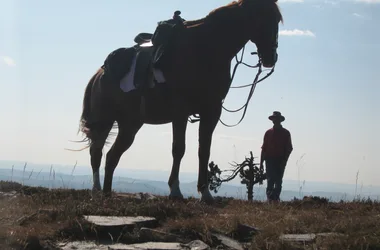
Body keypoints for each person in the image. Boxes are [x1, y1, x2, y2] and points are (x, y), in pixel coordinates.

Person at [260, 111, 293, 202]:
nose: (275, 120)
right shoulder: (268, 133)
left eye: (277, 119)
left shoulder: (286, 133)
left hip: (280, 160)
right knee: (270, 181)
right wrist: (261, 163)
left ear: (280, 120)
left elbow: (289, 148)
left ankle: (275, 199)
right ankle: (270, 200)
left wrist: (284, 160)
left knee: (278, 181)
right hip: (269, 160)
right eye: (274, 119)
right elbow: (264, 148)